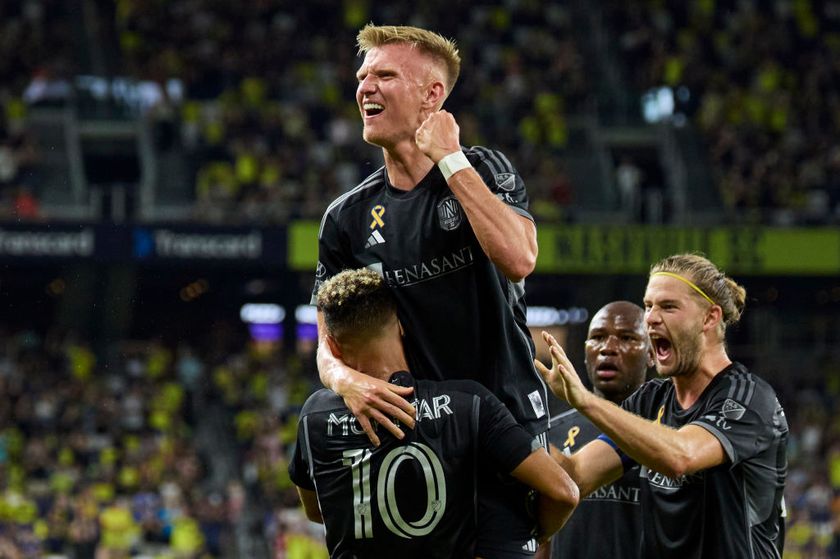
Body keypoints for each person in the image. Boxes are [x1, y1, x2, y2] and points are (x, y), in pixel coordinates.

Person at [312, 24, 548, 556]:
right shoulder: (346, 218)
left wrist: (452, 160)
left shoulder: (484, 169)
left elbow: (519, 259)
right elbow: (327, 338)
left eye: (385, 75)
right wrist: (345, 380)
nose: (365, 87)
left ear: (432, 96)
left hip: (505, 426)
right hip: (418, 433)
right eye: (362, 75)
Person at [290, 269, 579, 558]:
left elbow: (318, 511)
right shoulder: (469, 403)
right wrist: (534, 535)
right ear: (402, 325)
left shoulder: (313, 416)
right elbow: (563, 493)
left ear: (333, 348)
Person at [536, 253, 788, 559]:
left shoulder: (749, 397)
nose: (651, 318)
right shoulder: (651, 400)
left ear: (710, 317)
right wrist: (507, 417)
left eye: (668, 306)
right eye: (648, 306)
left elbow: (680, 456)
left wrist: (585, 400)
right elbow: (575, 474)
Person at [548, 301, 652, 559]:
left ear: (651, 354)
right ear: (585, 353)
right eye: (597, 338)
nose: (609, 348)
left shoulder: (665, 432)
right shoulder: (553, 431)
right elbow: (541, 533)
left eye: (627, 338)